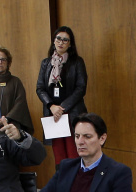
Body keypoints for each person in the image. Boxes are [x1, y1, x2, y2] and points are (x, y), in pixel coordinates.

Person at [10, 113, 134, 192]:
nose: (80, 142)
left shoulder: (118, 172)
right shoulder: (66, 167)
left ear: (102, 138)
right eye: (77, 136)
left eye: (87, 136)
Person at [36, 26, 87, 165]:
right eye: (58, 38)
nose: (61, 42)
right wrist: (51, 106)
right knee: (59, 156)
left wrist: (62, 107)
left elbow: (81, 88)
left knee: (74, 154)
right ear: (54, 41)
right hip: (53, 115)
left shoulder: (77, 62)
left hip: (71, 113)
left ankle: (76, 185)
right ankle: (63, 185)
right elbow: (40, 88)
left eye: (65, 40)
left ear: (70, 44)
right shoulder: (46, 63)